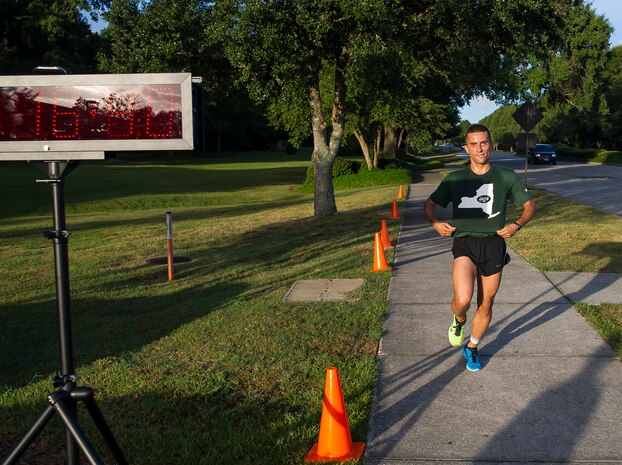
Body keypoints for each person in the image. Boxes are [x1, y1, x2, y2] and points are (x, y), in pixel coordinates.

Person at [423, 124, 536, 371]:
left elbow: (529, 206)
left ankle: (472, 347)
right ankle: (459, 318)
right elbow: (429, 205)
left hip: (494, 244)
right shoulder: (455, 178)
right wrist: (435, 224)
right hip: (464, 242)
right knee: (463, 300)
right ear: (466, 148)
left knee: (486, 303)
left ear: (491, 144)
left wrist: (516, 225)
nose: (479, 148)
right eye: (473, 144)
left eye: (483, 142)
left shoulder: (506, 176)